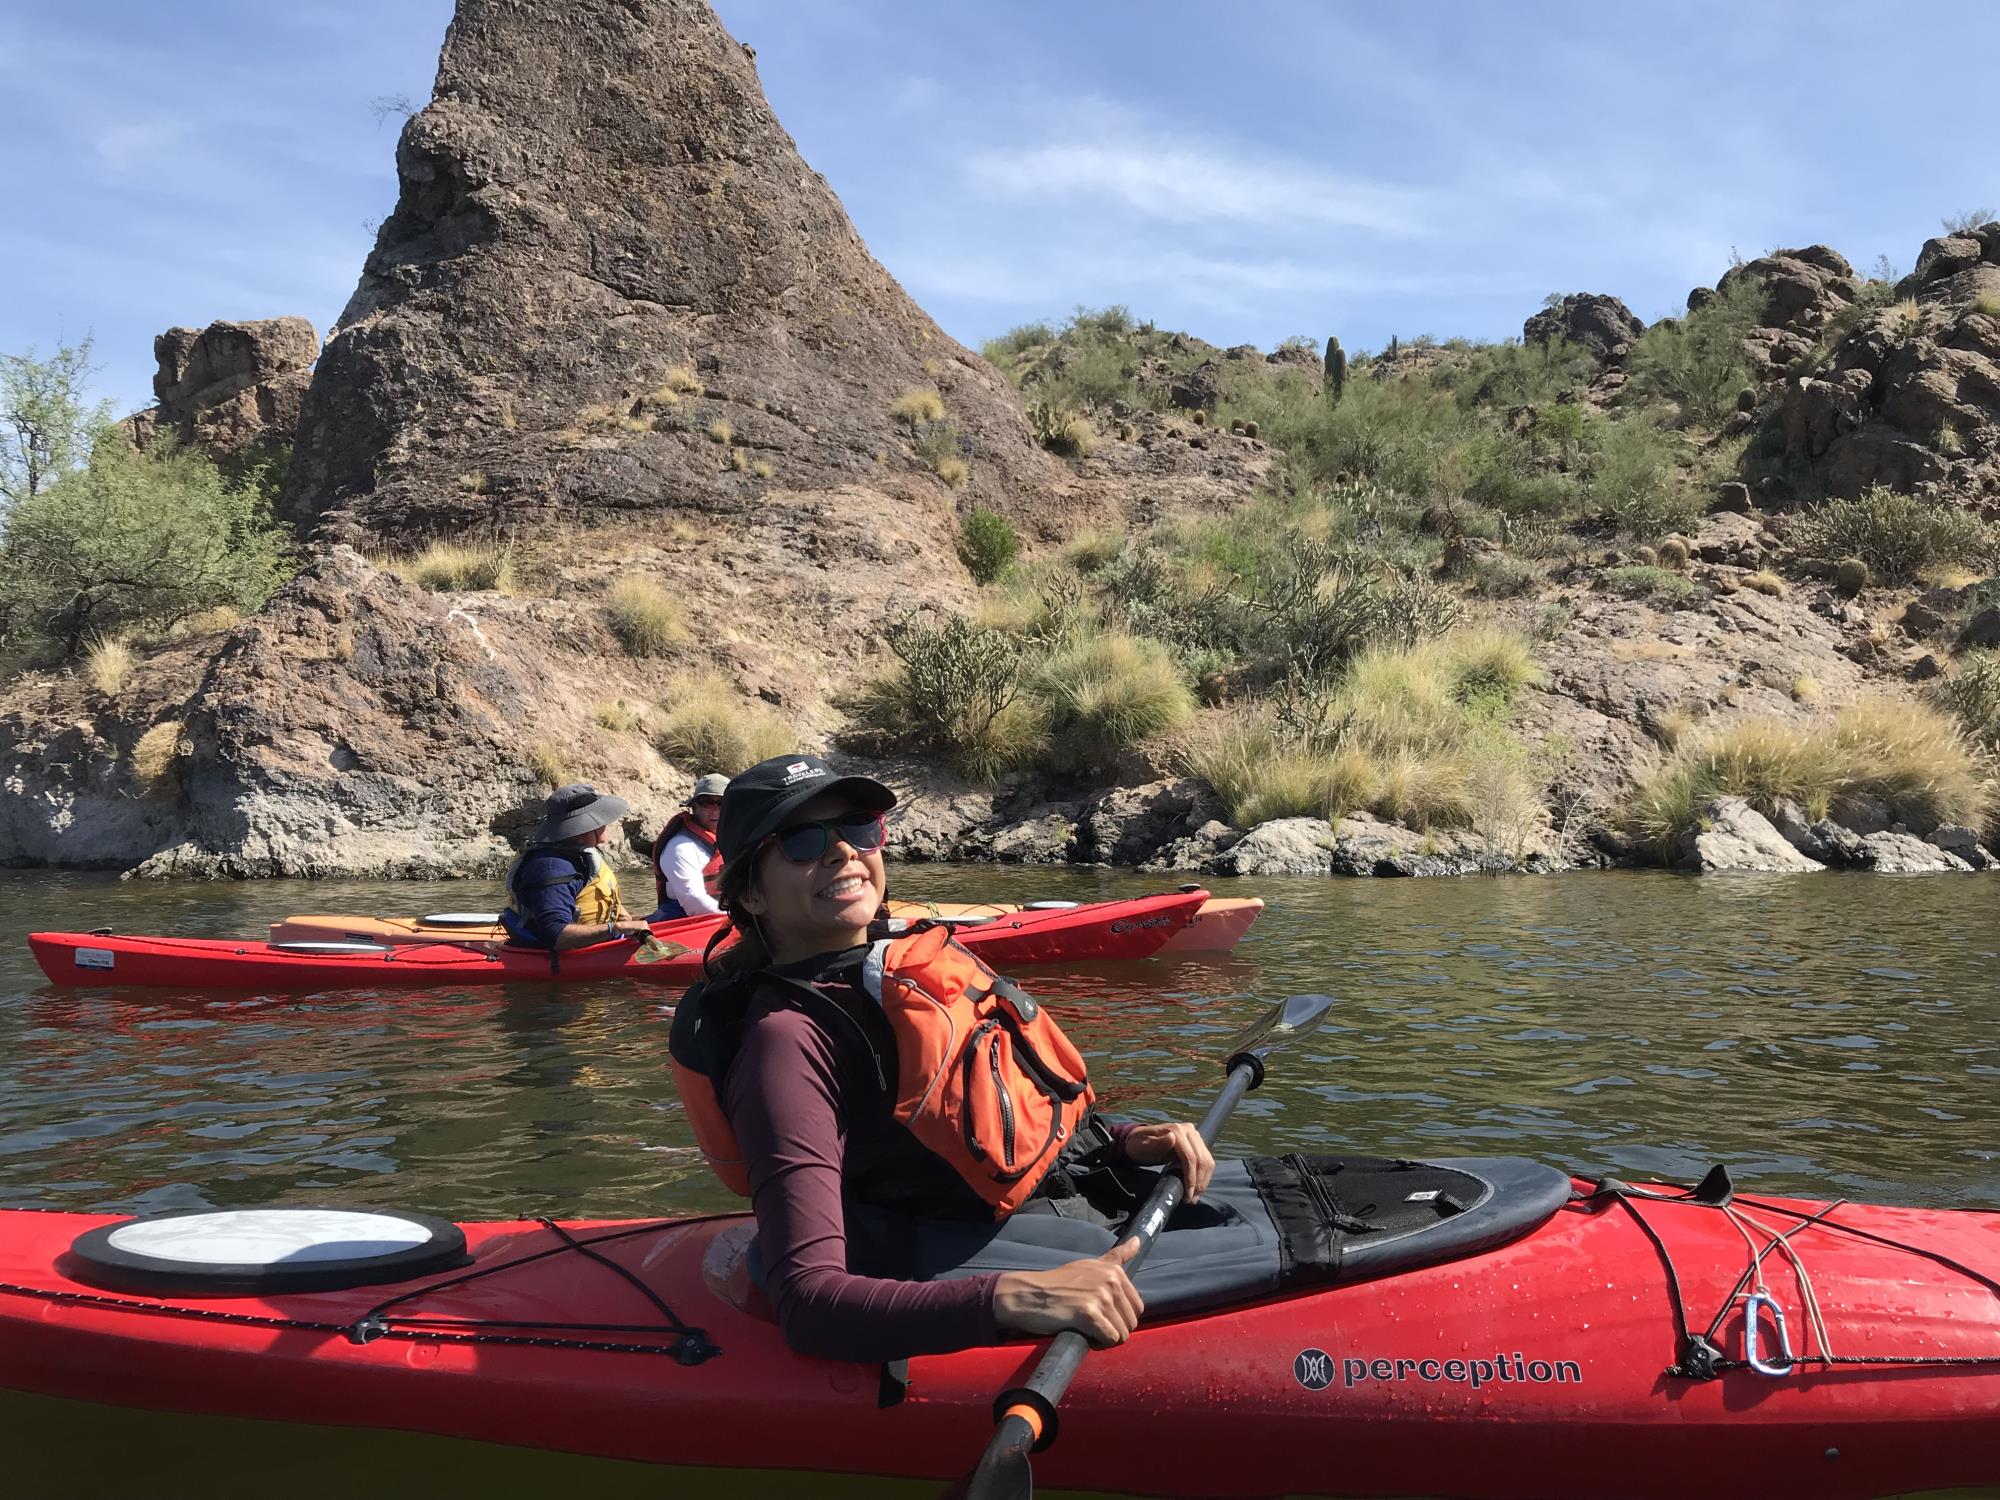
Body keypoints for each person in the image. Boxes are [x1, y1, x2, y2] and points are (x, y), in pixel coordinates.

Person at [668, 754, 1213, 1364]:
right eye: (801, 841)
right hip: (966, 1254)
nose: (843, 851)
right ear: (750, 893)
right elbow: (810, 1304)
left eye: (858, 828)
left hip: (1023, 1210)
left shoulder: (897, 971)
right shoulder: (786, 1041)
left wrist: (1118, 1141)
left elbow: (963, 1134)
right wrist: (1014, 1297)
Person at [499, 782, 654, 951]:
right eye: (599, 821)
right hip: (560, 956)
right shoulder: (552, 868)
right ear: (582, 829)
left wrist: (627, 920)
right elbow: (555, 935)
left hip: (600, 941)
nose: (605, 826)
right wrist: (614, 929)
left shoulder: (578, 855)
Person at [649, 774, 727, 921]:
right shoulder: (681, 847)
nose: (715, 810)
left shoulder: (732, 839)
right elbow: (694, 901)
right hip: (682, 920)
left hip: (723, 913)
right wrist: (736, 919)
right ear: (694, 807)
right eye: (706, 802)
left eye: (722, 802)